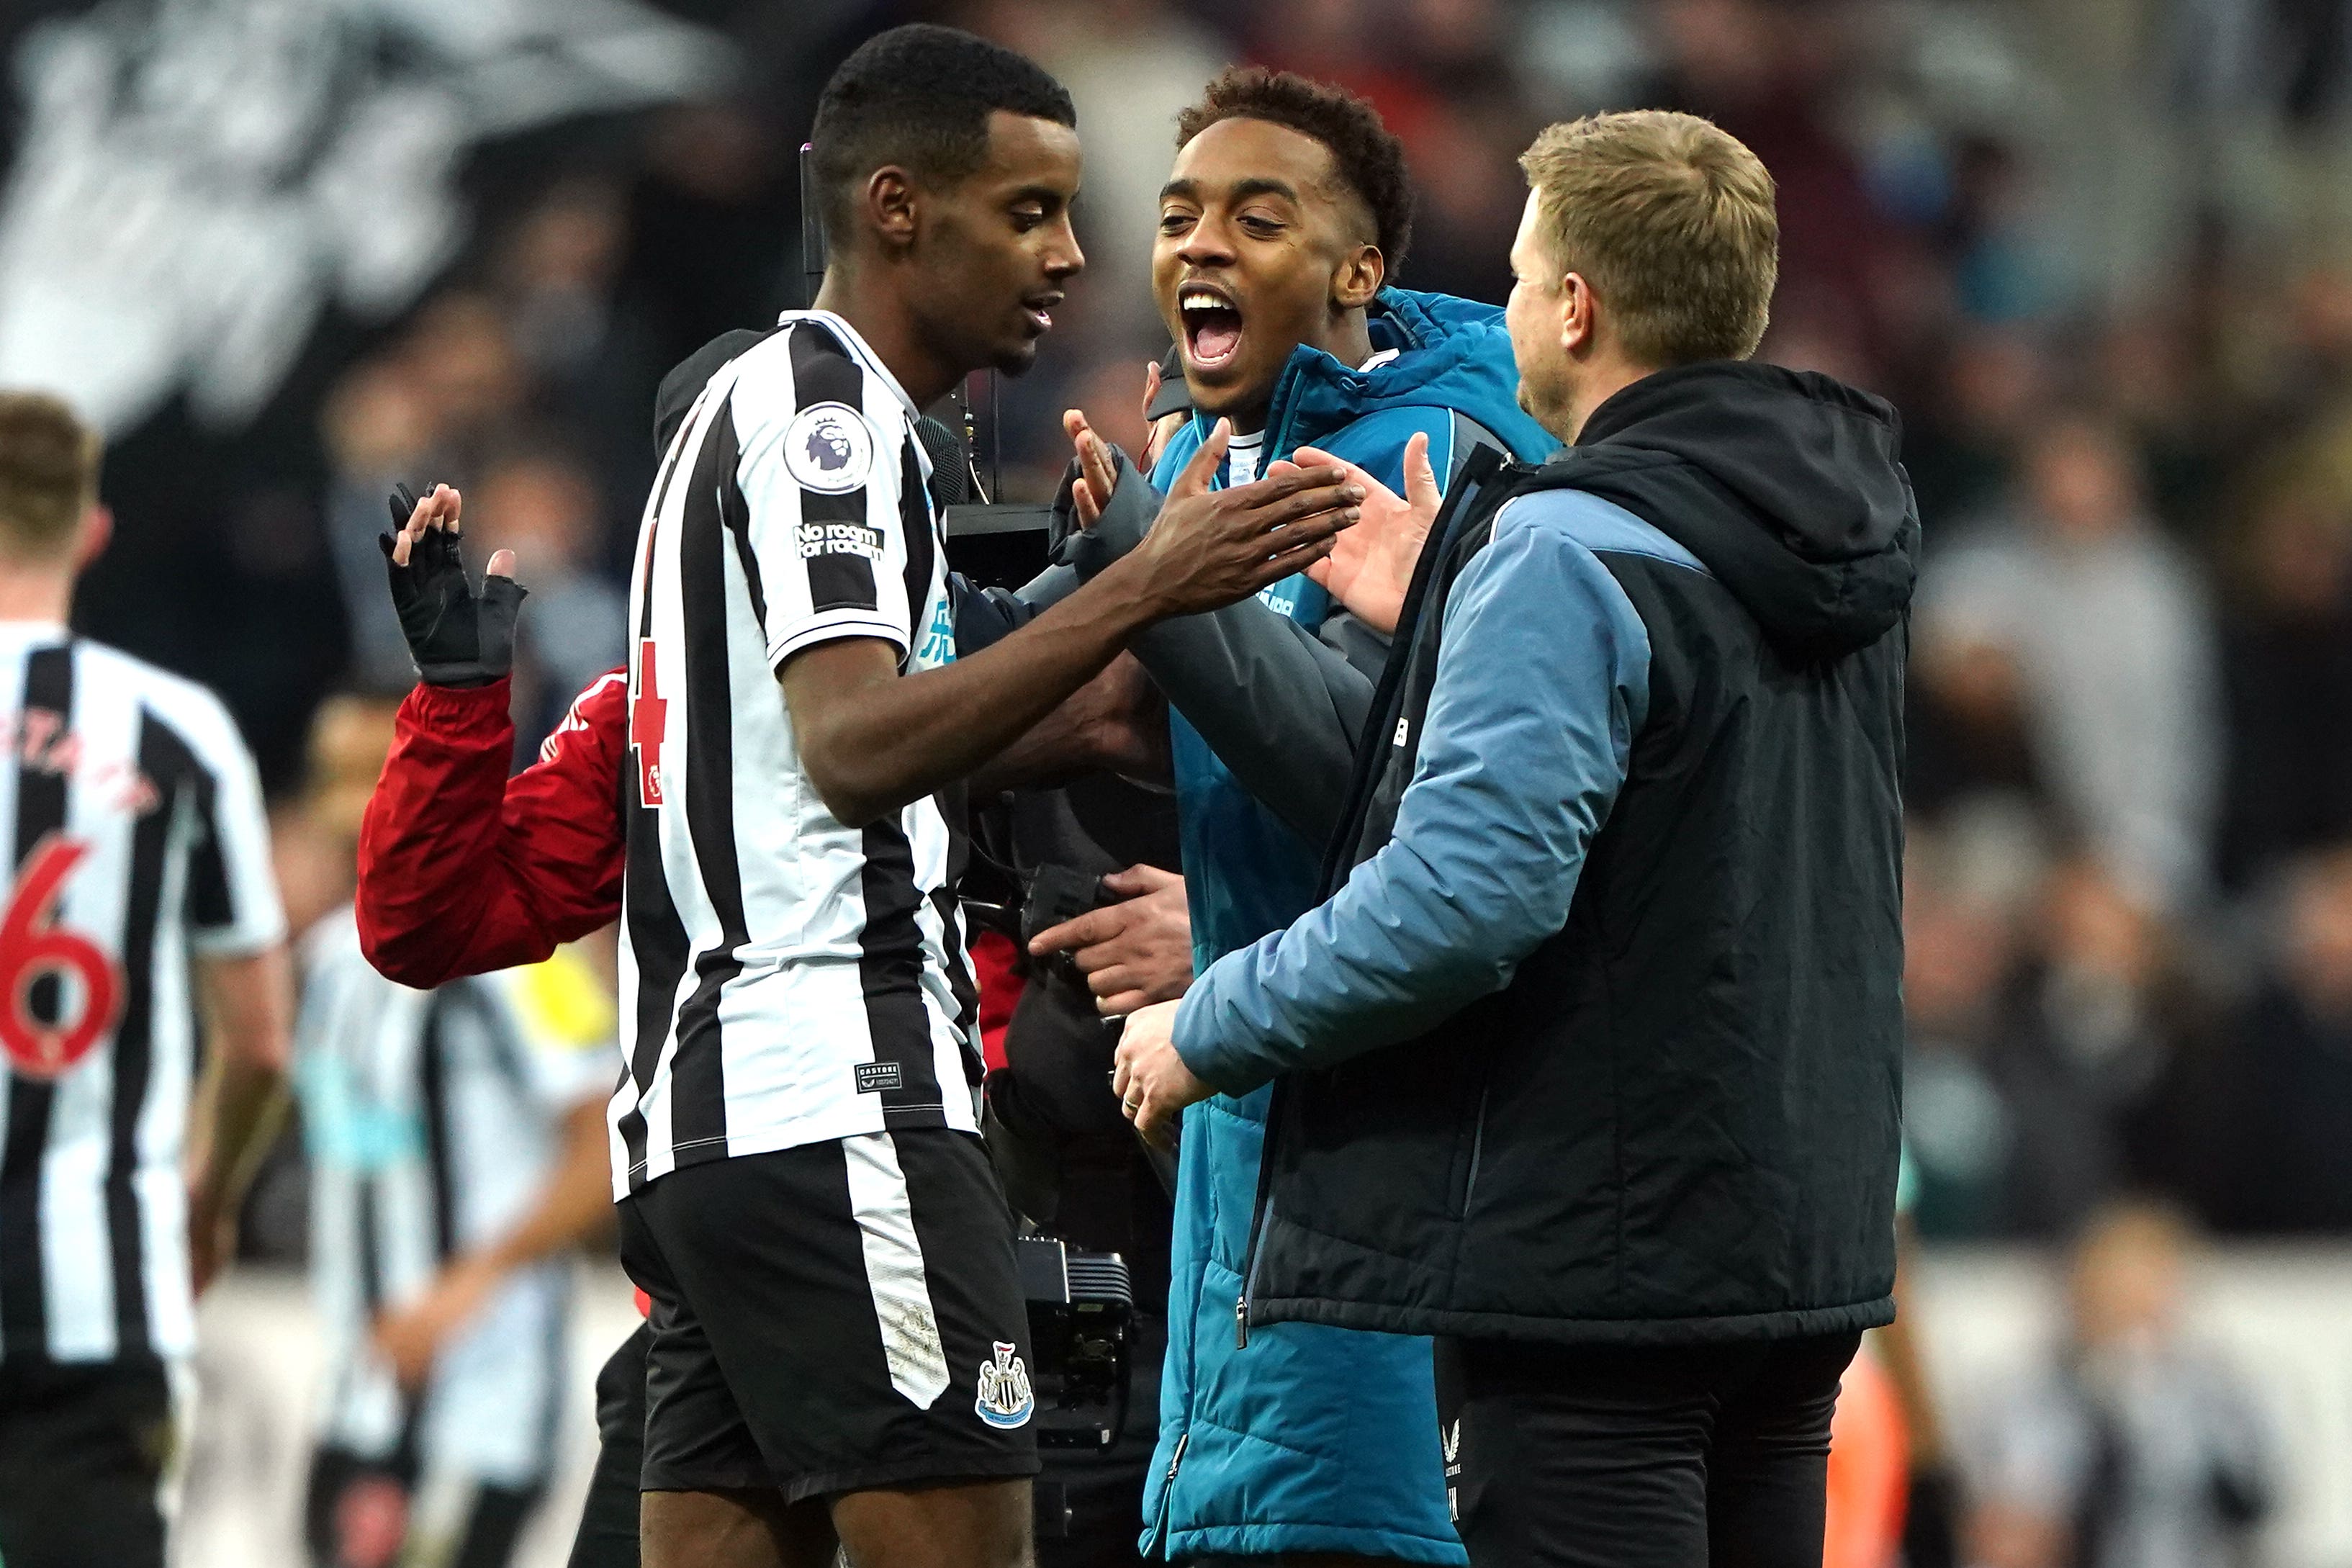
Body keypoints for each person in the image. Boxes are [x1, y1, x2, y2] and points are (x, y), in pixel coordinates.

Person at [353, 26, 1362, 1568]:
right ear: (898, 208)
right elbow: (856, 747)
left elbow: (999, 729)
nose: (1069, 255)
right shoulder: (828, 422)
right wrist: (1153, 579)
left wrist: (1158, 610)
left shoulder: (805, 473)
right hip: (852, 1114)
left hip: (733, 1148)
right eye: (1029, 213)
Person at [1114, 109, 1914, 1567]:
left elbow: (1462, 903)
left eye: (1517, 277)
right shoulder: (1823, 542)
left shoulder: (1561, 549)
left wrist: (1207, 1021)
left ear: (1574, 307)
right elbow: (1689, 832)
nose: (1499, 309)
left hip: (1599, 1268)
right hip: (1793, 1253)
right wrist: (1448, 608)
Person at [1037, 66, 1555, 1567]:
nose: (1200, 245)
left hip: (1384, 1151)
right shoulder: (1220, 451)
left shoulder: (1436, 456)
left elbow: (1368, 790)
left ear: (1356, 270)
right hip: (1248, 1133)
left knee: (1340, 1523)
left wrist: (1145, 564)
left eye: (1255, 220)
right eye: (1180, 213)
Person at [0, 391, 294, 1567]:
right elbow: (262, 1043)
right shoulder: (176, 728)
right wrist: (209, 1193)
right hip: (100, 1283)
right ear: (90, 532)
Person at [290, 691, 616, 1568]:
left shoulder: (515, 960)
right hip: (355, 1393)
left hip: (481, 1405)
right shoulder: (324, 965)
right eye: (331, 778)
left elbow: (603, 1143)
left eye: (367, 778)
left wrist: (461, 1289)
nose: (341, 807)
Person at [1970, 1202, 2272, 1568]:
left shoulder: (2218, 1393)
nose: (2135, 1312)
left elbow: (2257, 1501)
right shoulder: (2032, 1398)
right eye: (2118, 1294)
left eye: (2151, 1291)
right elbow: (2020, 1519)